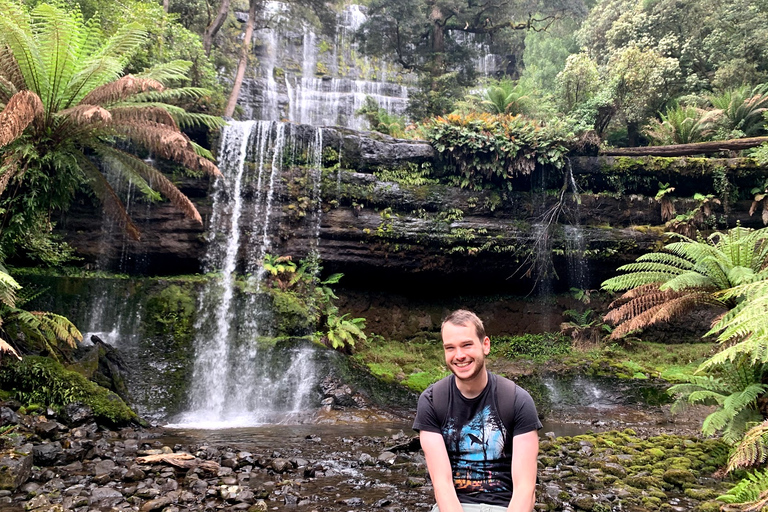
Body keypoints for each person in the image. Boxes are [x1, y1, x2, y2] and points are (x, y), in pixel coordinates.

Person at [413, 309, 542, 512]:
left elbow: (525, 489)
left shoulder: (518, 400)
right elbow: (442, 484)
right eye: (450, 348)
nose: (459, 355)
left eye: (467, 345)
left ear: (485, 345)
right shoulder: (431, 401)